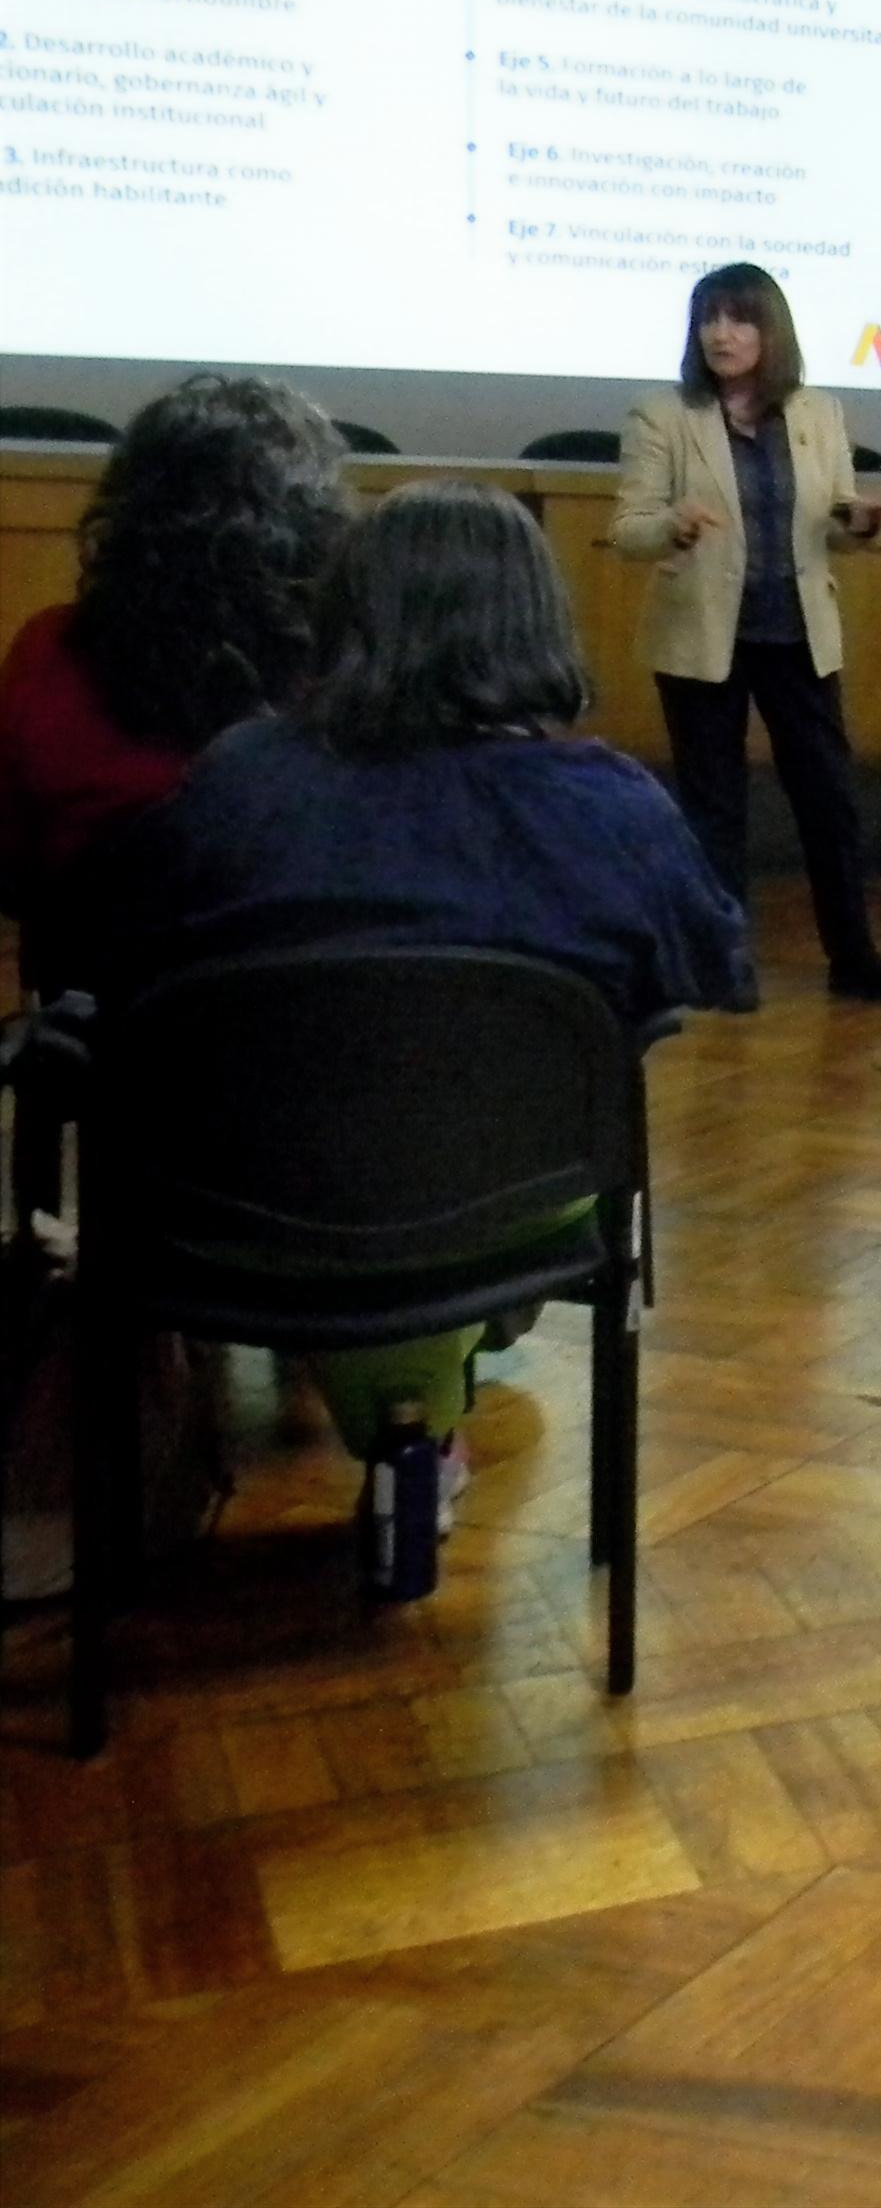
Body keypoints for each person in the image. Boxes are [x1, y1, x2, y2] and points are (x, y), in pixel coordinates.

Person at [87, 479, 744, 1483]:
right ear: (535, 623)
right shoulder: (612, 805)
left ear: (345, 615)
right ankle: (430, 1400)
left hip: (235, 1218)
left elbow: (123, 967)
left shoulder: (238, 779)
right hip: (515, 1211)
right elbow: (704, 970)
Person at [610, 261, 881, 1002]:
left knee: (829, 798)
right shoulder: (663, 415)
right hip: (703, 635)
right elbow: (627, 531)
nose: (720, 333)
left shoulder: (818, 413)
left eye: (739, 318)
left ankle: (854, 958)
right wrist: (672, 526)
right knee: (715, 807)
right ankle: (722, 966)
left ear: (770, 329)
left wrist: (858, 521)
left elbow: (834, 519)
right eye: (708, 318)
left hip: (797, 631)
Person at [0, 375, 350, 992]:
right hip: (306, 1049)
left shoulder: (49, 651)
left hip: (101, 1052)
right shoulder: (348, 664)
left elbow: (12, 872)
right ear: (314, 522)